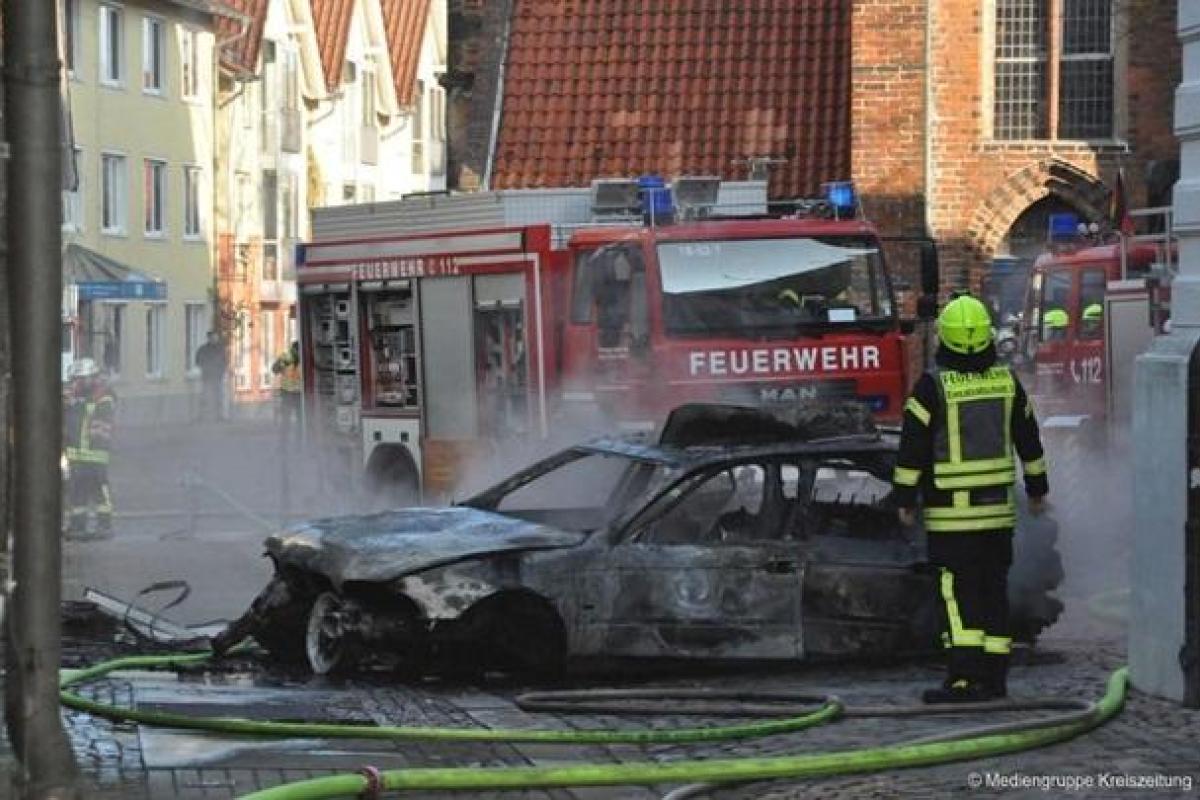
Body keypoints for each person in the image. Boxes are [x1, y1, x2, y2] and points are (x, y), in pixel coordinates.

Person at [891, 295, 1049, 703]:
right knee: (993, 591)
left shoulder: (932, 387)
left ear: (945, 337)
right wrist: (1037, 492)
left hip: (951, 519)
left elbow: (912, 450)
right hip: (997, 516)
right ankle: (995, 678)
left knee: (955, 596)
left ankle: (963, 678)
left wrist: (904, 498)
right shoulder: (1006, 382)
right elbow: (1030, 442)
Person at [63, 358, 116, 538]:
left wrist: (76, 405)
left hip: (96, 455)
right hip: (77, 455)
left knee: (99, 491)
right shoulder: (76, 399)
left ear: (90, 379)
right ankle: (78, 526)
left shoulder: (104, 397)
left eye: (78, 380)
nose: (75, 384)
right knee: (77, 493)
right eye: (74, 380)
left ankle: (104, 526)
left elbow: (98, 425)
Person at [272, 341, 303, 444]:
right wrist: (282, 364)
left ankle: (288, 445)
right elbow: (275, 369)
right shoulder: (287, 357)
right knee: (290, 421)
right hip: (290, 393)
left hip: (295, 393)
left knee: (295, 421)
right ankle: (285, 446)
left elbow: (275, 369)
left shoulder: (290, 356)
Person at [194, 331, 227, 422]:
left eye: (216, 337)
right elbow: (198, 360)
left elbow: (224, 361)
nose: (214, 339)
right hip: (207, 377)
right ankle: (202, 416)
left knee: (219, 397)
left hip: (218, 377)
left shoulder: (220, 349)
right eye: (213, 337)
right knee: (204, 397)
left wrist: (222, 371)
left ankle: (219, 416)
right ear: (209, 338)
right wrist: (205, 367)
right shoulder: (203, 349)